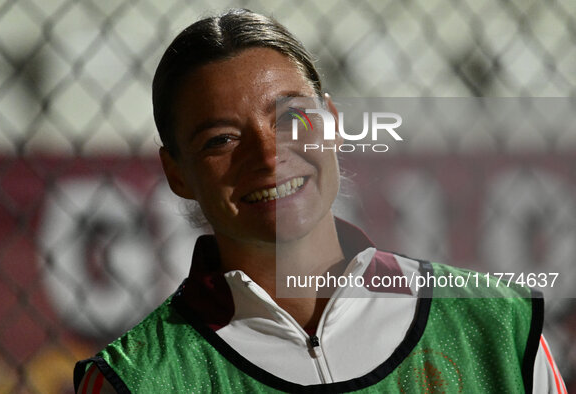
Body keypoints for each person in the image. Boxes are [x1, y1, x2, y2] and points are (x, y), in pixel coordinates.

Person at [74, 9, 566, 393]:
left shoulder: (497, 325)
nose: (268, 156)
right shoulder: (137, 380)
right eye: (221, 139)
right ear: (176, 172)